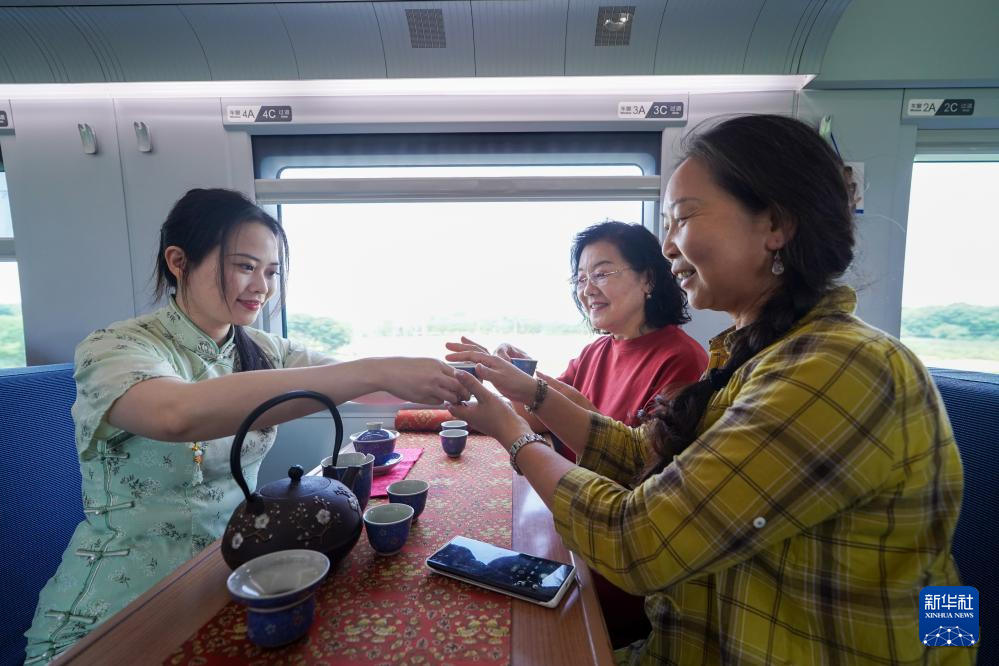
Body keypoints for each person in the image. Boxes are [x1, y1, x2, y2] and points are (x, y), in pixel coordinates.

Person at [445, 115, 970, 665]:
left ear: (775, 224)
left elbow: (639, 541)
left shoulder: (840, 368)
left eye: (684, 217)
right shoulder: (750, 356)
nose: (667, 246)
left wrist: (514, 435)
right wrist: (528, 395)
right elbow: (644, 454)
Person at [24, 188, 468, 664]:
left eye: (271, 272)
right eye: (245, 266)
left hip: (231, 573)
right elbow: (176, 413)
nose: (262, 286)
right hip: (122, 605)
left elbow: (361, 383)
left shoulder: (261, 349)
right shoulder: (115, 347)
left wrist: (466, 379)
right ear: (178, 261)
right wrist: (374, 370)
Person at [448, 221, 707, 648]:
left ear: (648, 278)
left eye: (602, 273)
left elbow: (636, 468)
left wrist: (527, 389)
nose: (587, 289)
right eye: (581, 278)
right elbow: (538, 418)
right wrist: (507, 376)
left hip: (616, 557)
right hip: (570, 527)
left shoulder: (683, 360)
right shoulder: (597, 350)